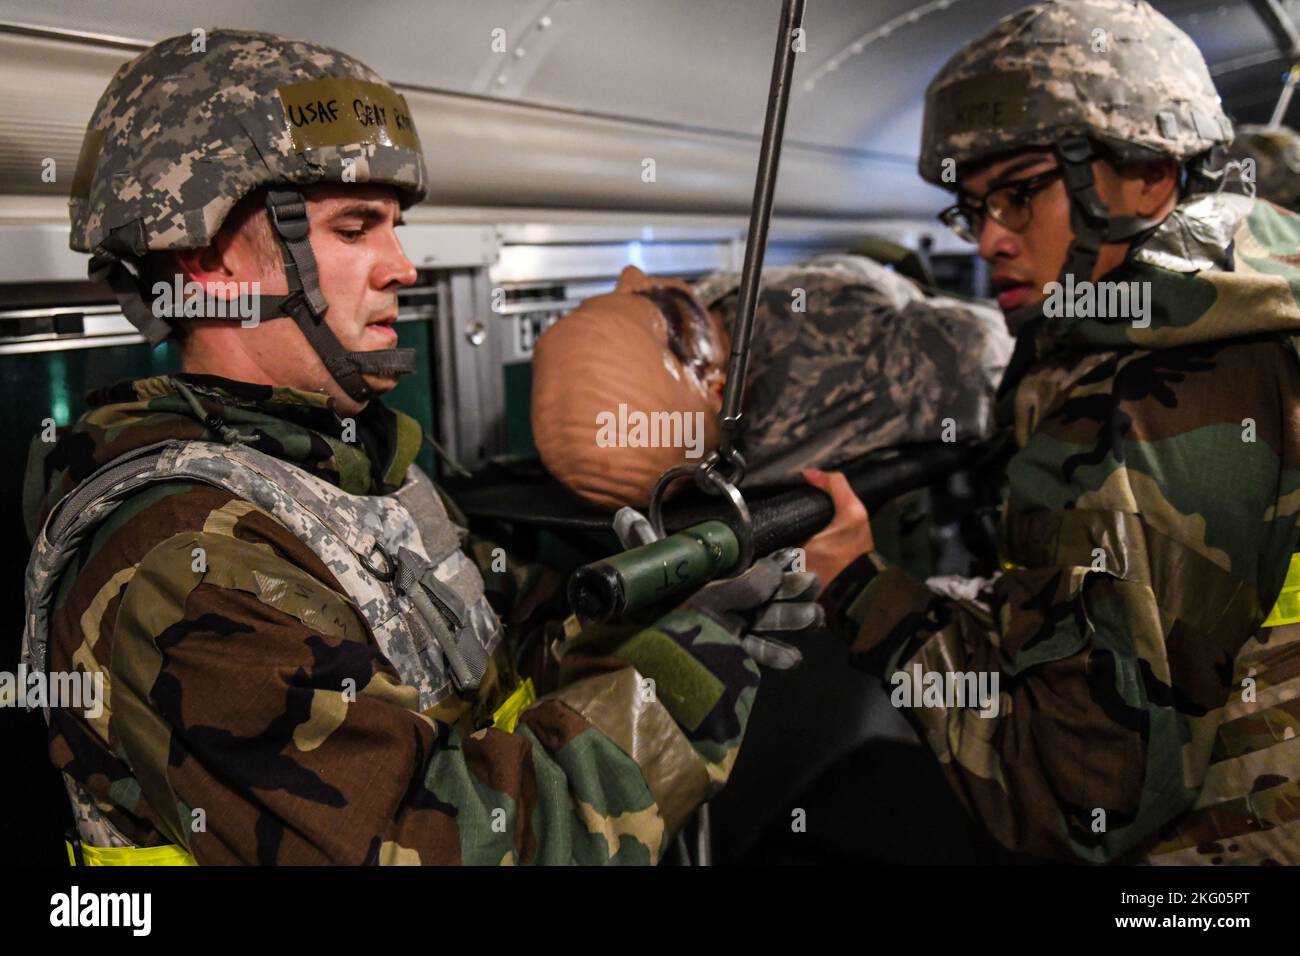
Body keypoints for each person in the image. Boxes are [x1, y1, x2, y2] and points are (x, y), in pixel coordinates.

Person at [21, 29, 821, 866]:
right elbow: (443, 847)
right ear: (209, 260)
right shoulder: (182, 561)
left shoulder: (350, 473)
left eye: (395, 228)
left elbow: (486, 690)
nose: (403, 265)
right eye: (356, 227)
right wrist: (680, 677)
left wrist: (646, 614)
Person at [802, 0, 1300, 864]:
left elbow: (1074, 806)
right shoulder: (1257, 283)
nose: (990, 238)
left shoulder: (1138, 418)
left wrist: (859, 589)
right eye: (973, 208)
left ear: (1148, 174)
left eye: (1021, 193)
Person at [530, 257, 1009, 510]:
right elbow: (991, 352)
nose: (633, 272)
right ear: (716, 388)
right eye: (674, 312)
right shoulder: (832, 328)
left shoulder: (694, 444)